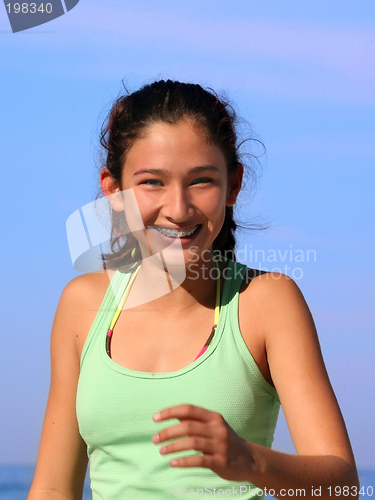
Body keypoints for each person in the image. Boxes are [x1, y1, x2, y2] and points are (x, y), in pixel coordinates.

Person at [27, 80, 359, 500]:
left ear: (233, 185)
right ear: (113, 191)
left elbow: (343, 485)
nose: (179, 209)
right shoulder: (82, 304)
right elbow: (53, 488)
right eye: (152, 182)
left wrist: (250, 462)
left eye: (201, 180)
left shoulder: (267, 301)